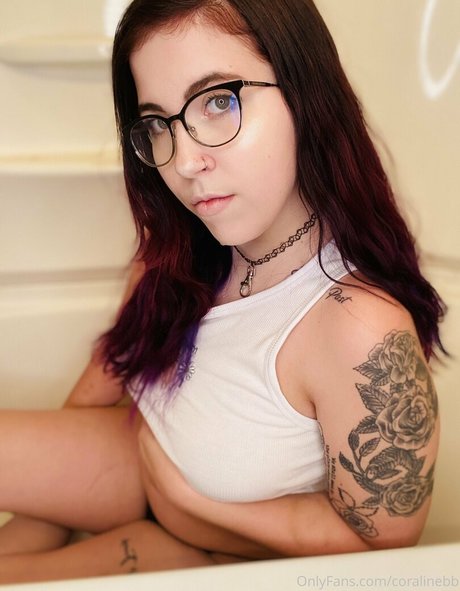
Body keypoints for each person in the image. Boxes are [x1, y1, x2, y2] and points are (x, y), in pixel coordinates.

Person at [0, 0, 446, 583]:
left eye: (217, 102)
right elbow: (99, 389)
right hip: (128, 460)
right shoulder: (180, 253)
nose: (185, 162)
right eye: (158, 124)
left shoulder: (358, 330)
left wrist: (194, 504)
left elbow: (380, 548)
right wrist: (30, 534)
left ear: (305, 92)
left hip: (209, 552)